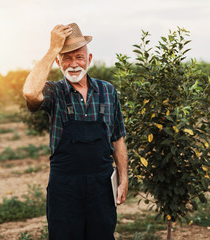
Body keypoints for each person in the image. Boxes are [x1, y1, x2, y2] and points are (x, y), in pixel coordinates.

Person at [23, 23, 128, 240]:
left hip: (101, 187)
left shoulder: (108, 91)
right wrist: (53, 48)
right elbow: (30, 92)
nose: (73, 64)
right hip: (65, 190)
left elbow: (118, 138)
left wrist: (124, 178)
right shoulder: (55, 92)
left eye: (79, 57)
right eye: (66, 58)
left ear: (89, 60)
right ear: (58, 63)